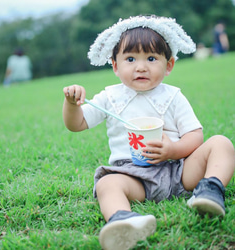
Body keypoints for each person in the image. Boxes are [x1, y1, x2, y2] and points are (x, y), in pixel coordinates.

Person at [62, 15, 235, 250]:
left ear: (169, 65)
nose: (141, 67)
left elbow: (195, 136)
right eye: (130, 59)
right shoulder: (110, 97)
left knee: (221, 143)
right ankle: (123, 219)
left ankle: (210, 190)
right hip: (134, 177)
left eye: (151, 58)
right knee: (107, 184)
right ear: (115, 65)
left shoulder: (173, 96)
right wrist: (72, 105)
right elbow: (77, 124)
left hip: (177, 171)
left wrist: (173, 150)